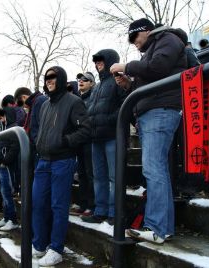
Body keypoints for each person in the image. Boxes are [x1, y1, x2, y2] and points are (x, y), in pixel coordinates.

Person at [110, 18, 187, 244]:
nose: (133, 42)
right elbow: (149, 77)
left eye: (134, 37)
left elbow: (157, 68)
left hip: (161, 110)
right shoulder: (154, 48)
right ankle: (162, 227)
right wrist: (128, 84)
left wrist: (127, 66)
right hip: (152, 111)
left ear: (146, 31)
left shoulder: (168, 38)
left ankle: (158, 227)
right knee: (155, 169)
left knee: (154, 169)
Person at [32, 66, 90, 266]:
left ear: (61, 79)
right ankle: (39, 244)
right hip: (43, 160)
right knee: (38, 202)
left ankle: (56, 248)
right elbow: (38, 129)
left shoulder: (74, 101)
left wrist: (65, 142)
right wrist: (39, 143)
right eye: (47, 78)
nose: (49, 80)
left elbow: (85, 130)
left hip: (63, 161)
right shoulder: (45, 105)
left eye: (53, 77)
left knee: (58, 205)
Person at [82, 49, 127, 226]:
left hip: (112, 136)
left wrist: (108, 120)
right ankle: (100, 210)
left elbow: (125, 104)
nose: (97, 63)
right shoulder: (98, 86)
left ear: (110, 61)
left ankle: (114, 211)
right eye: (96, 61)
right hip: (95, 138)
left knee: (114, 177)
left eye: (101, 60)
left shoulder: (118, 81)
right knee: (99, 176)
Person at [70, 72, 96, 216]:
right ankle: (83, 203)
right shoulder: (78, 99)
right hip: (80, 141)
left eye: (85, 80)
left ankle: (92, 205)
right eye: (79, 79)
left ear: (91, 83)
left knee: (89, 173)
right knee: (81, 174)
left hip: (90, 140)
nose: (81, 81)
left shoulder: (94, 97)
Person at [0, 107, 20, 231]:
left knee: (8, 192)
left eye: (2, 116)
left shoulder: (13, 128)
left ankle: (12, 220)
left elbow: (15, 147)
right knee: (4, 193)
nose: (1, 119)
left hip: (8, 166)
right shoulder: (4, 128)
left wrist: (5, 161)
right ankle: (6, 217)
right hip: (1, 166)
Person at [13, 87, 47, 167]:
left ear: (24, 97)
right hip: (37, 150)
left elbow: (42, 127)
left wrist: (38, 147)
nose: (23, 107)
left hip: (40, 152)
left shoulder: (39, 101)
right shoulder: (34, 104)